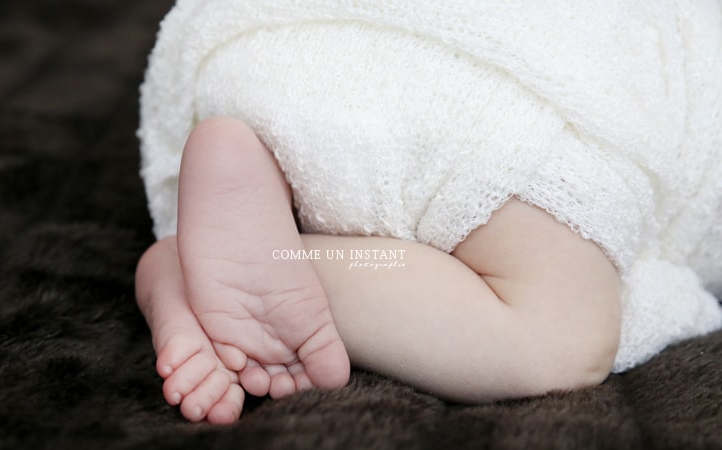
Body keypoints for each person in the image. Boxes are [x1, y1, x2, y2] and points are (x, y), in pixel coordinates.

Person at [136, 0, 722, 424]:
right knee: (560, 338)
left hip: (264, 44)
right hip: (493, 91)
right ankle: (281, 258)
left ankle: (227, 240)